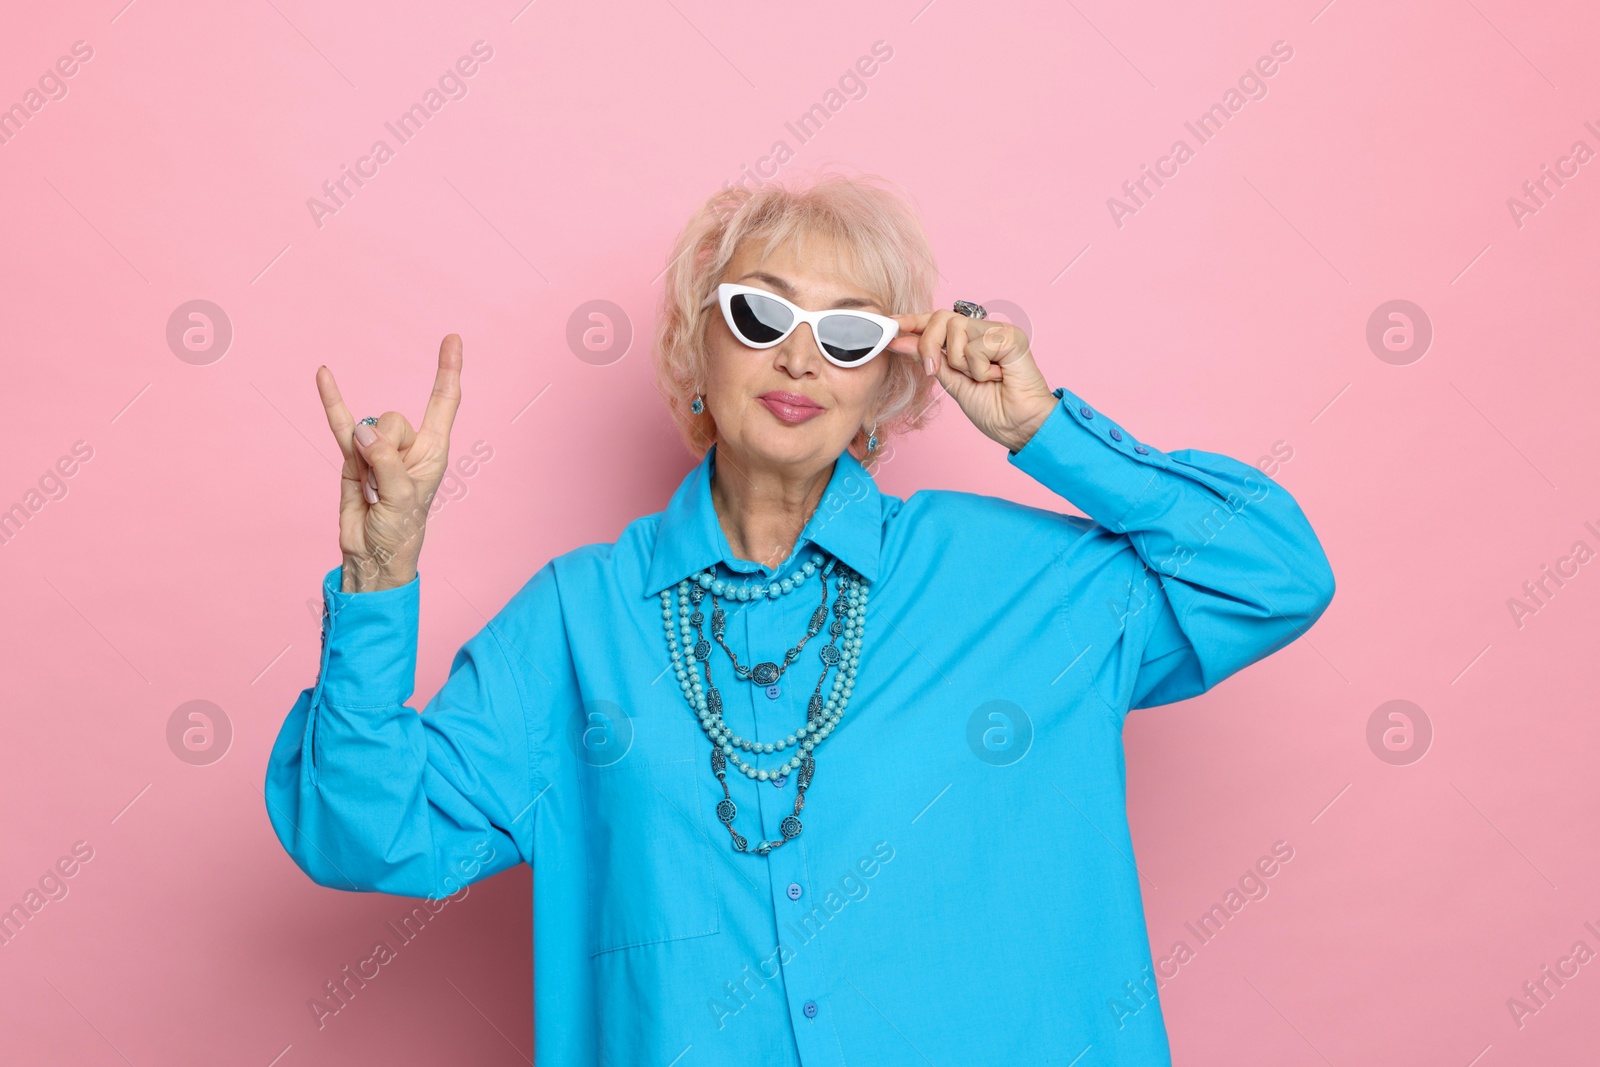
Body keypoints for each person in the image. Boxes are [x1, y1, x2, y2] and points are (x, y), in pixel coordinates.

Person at [264, 170, 1335, 1066]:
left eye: (850, 330)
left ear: (885, 385)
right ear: (695, 351)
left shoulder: (1012, 582)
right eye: (760, 314)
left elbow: (1272, 572)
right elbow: (360, 827)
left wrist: (1045, 428)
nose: (801, 354)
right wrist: (378, 576)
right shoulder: (578, 622)